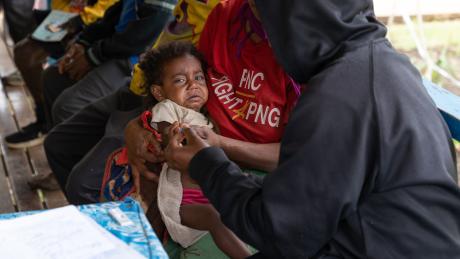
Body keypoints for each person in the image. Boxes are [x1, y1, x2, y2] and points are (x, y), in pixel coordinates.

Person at [163, 0, 460, 258]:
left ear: (294, 18)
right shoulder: (384, 65)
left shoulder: (339, 95)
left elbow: (281, 232)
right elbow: (305, 199)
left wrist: (207, 164)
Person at [111, 42, 251, 258]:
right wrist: (174, 135)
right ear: (159, 92)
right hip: (183, 201)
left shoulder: (205, 117)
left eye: (199, 78)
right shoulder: (167, 109)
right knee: (216, 219)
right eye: (180, 80)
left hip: (211, 192)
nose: (193, 85)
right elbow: (168, 133)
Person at [5, 0, 118, 149]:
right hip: (67, 14)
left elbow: (114, 5)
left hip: (98, 18)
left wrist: (81, 19)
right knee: (25, 53)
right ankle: (44, 119)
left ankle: (53, 125)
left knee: (33, 59)